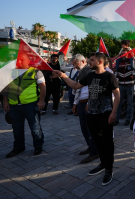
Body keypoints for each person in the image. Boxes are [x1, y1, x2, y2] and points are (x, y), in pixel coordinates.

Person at [52, 52, 120, 186]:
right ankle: (102, 163)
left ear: (100, 62)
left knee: (107, 142)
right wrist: (63, 75)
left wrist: (113, 113)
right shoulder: (90, 75)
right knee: (97, 140)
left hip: (105, 114)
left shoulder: (109, 76)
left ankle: (109, 169)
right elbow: (76, 85)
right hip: (92, 114)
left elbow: (117, 95)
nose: (89, 62)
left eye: (92, 60)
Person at [3, 57, 46, 158]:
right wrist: (5, 101)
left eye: (22, 59)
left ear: (28, 61)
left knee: (35, 127)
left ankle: (38, 146)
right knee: (16, 129)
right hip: (14, 106)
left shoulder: (36, 71)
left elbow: (43, 86)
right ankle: (18, 147)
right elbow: (6, 87)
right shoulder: (11, 72)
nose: (20, 61)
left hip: (31, 105)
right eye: (18, 59)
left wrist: (41, 101)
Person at [71, 54, 99, 164]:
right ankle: (90, 146)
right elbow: (78, 88)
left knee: (90, 128)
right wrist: (75, 103)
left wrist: (89, 102)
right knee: (84, 127)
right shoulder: (82, 73)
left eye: (76, 63)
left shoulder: (90, 72)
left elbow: (93, 90)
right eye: (73, 64)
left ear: (83, 61)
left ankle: (94, 151)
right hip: (82, 103)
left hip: (89, 103)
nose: (74, 66)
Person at [115, 49, 135, 126]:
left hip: (130, 85)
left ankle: (128, 119)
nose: (124, 56)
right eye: (122, 54)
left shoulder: (131, 62)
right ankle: (116, 119)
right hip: (120, 85)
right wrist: (111, 61)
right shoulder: (118, 62)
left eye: (125, 54)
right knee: (119, 102)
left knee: (130, 103)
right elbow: (113, 69)